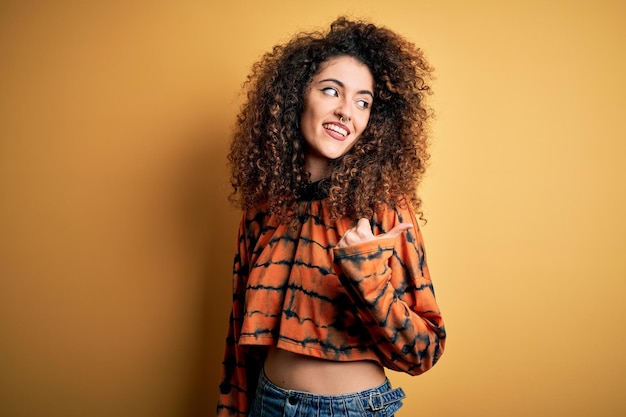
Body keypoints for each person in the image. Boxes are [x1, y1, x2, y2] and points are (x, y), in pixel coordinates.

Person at [217, 16, 446, 417]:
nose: (346, 111)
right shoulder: (264, 206)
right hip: (266, 404)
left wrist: (367, 278)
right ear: (295, 97)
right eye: (330, 91)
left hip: (352, 409)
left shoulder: (383, 206)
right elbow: (239, 333)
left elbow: (424, 352)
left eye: (363, 102)